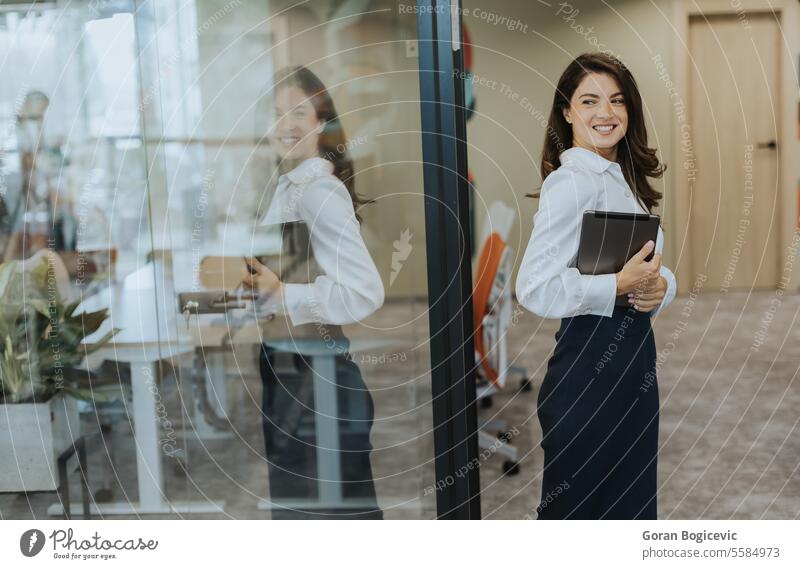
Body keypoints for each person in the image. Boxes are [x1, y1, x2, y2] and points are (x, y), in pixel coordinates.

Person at [515, 53, 677, 519]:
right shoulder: (570, 183)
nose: (605, 113)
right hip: (589, 366)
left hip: (632, 361)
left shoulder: (621, 177)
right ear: (567, 111)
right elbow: (534, 286)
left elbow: (653, 265)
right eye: (589, 101)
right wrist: (615, 285)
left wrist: (661, 286)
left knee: (629, 505)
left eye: (617, 101)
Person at [240, 66, 385, 519]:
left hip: (317, 383)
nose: (286, 123)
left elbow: (364, 293)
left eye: (298, 112)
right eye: (276, 112)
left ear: (321, 124)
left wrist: (283, 295)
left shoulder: (318, 191)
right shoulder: (288, 187)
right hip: (291, 371)